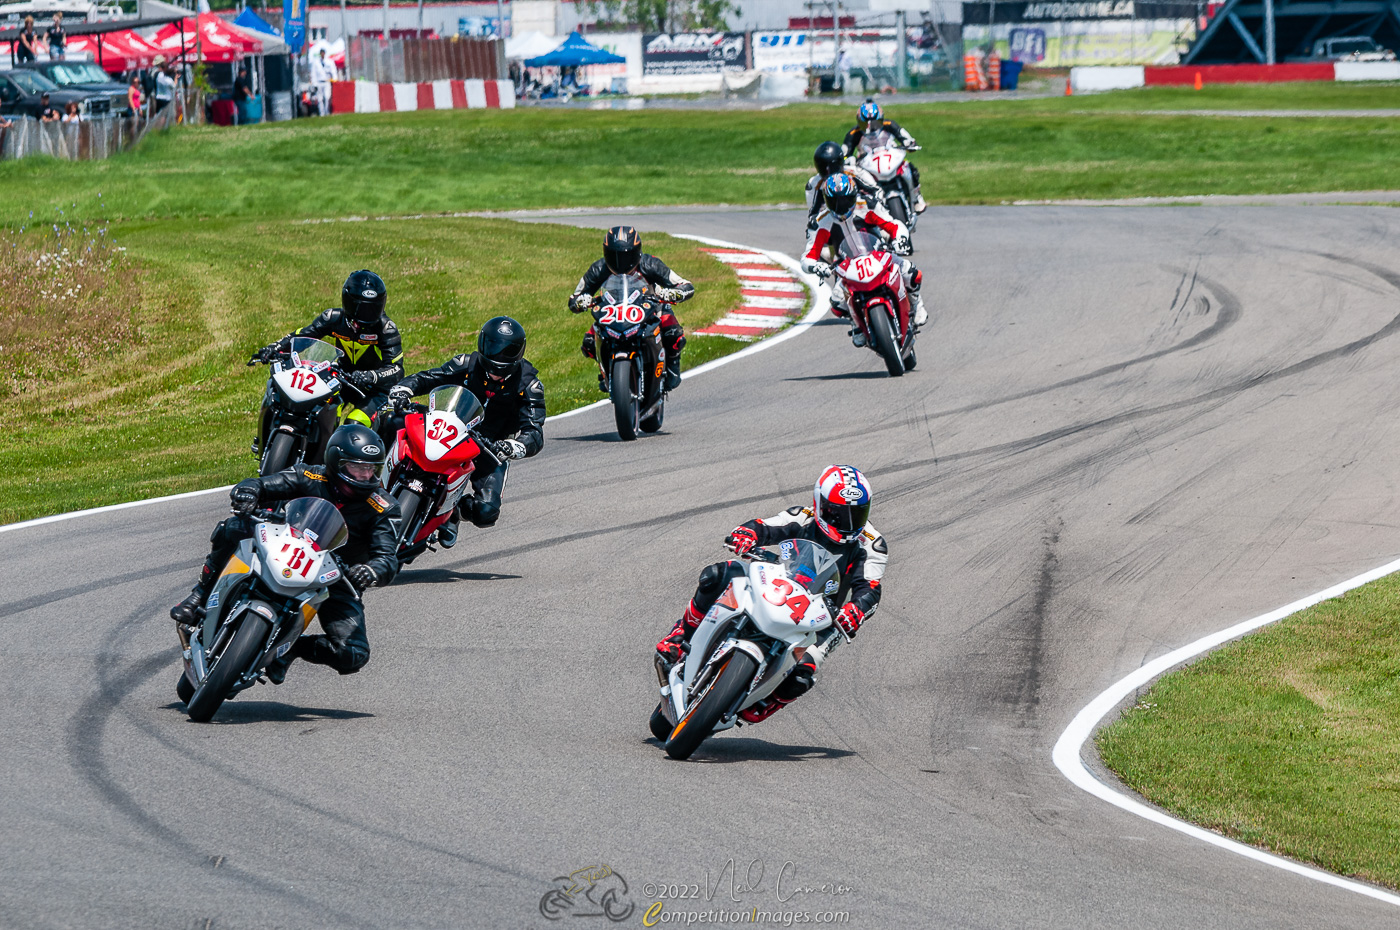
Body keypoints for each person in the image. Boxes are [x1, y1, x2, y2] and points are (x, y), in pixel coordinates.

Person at [655, 465, 887, 723]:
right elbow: (765, 527)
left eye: (857, 513)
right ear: (821, 505)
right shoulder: (804, 517)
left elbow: (870, 588)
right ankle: (681, 634)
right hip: (778, 584)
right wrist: (746, 534)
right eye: (839, 513)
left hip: (823, 615)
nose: (848, 523)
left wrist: (856, 610)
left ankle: (765, 703)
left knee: (804, 672)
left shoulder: (872, 544)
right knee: (717, 575)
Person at [170, 424, 399, 683]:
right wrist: (249, 491)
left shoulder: (384, 507)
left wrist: (371, 571)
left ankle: (291, 649)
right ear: (337, 461)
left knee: (353, 654)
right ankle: (199, 595)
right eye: (358, 467)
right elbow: (263, 484)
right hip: (282, 547)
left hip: (334, 577)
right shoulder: (309, 476)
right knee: (232, 527)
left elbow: (387, 557)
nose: (366, 475)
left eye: (372, 469)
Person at [386, 316, 545, 546]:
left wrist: (514, 446)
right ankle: (370, 473)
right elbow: (430, 377)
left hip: (490, 447)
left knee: (486, 512)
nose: (494, 371)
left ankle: (455, 512)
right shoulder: (467, 364)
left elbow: (535, 431)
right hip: (451, 429)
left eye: (503, 357)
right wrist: (404, 389)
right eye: (492, 349)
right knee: (391, 419)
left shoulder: (528, 385)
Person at [253, 269, 404, 457]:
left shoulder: (386, 329)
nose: (366, 315)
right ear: (348, 302)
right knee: (321, 414)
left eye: (373, 307)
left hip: (375, 390)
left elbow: (397, 369)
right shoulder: (332, 318)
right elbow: (302, 335)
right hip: (343, 379)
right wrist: (274, 347)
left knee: (354, 425)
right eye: (360, 307)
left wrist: (370, 376)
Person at [801, 174, 927, 345]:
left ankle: (917, 304)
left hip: (879, 255)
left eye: (845, 200)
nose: (840, 206)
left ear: (853, 196)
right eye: (835, 202)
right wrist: (815, 267)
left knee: (911, 273)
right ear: (826, 201)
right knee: (837, 303)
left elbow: (894, 225)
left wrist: (900, 239)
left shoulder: (867, 205)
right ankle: (856, 324)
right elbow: (808, 255)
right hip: (847, 267)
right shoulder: (821, 222)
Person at [568, 226, 694, 391]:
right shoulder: (599, 268)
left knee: (673, 333)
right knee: (589, 343)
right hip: (613, 313)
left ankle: (672, 369)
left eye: (626, 255)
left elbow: (685, 285)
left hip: (651, 307)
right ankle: (606, 372)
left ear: (637, 252)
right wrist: (581, 301)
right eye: (614, 256)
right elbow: (574, 297)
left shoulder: (650, 264)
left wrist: (673, 294)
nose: (621, 261)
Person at [841, 100, 926, 214]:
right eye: (864, 123)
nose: (869, 127)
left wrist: (908, 142)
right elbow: (844, 153)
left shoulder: (889, 125)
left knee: (909, 168)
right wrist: (848, 160)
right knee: (857, 183)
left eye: (875, 123)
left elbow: (903, 135)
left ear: (881, 119)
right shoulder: (853, 133)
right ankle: (865, 210)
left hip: (890, 157)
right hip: (868, 164)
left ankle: (916, 197)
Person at [805, 139, 884, 233]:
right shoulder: (813, 184)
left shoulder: (855, 172)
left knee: (883, 231)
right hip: (833, 220)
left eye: (832, 167)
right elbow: (813, 212)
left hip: (858, 213)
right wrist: (813, 223)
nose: (828, 171)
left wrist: (875, 203)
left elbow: (875, 190)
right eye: (823, 168)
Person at [309, 48, 333, 116]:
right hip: (319, 82)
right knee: (320, 99)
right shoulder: (316, 62)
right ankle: (321, 113)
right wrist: (314, 83)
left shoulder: (329, 62)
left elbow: (333, 71)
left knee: (327, 97)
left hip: (326, 82)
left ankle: (327, 111)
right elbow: (313, 73)